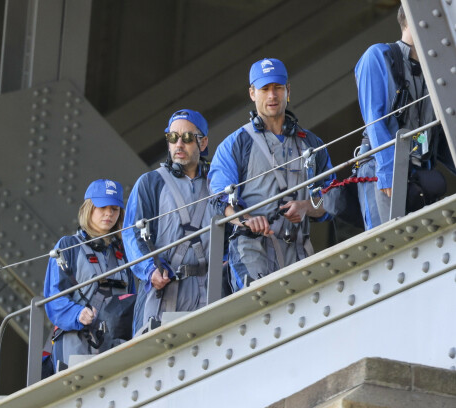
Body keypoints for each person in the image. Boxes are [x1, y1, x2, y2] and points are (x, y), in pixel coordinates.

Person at [208, 58, 334, 292]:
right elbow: (218, 198)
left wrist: (307, 206)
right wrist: (246, 219)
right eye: (264, 89)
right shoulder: (235, 144)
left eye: (277, 87)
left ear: (288, 91)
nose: (272, 95)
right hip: (252, 250)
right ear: (252, 93)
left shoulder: (312, 143)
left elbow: (333, 198)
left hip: (299, 249)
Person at [355, 5, 452, 229]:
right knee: (389, 242)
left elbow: (440, 135)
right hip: (382, 166)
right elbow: (374, 120)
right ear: (409, 20)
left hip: (420, 170)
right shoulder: (379, 56)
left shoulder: (436, 73)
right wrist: (389, 172)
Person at [122, 109, 215, 334]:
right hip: (162, 294)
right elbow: (132, 233)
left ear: (203, 143)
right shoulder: (150, 182)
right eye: (173, 137)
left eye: (187, 138)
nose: (178, 144)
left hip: (210, 292)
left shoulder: (217, 180)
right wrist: (149, 270)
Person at [44, 179, 135, 371]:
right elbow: (54, 298)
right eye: (102, 207)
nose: (109, 213)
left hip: (117, 344)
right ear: (89, 208)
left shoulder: (125, 252)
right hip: (76, 342)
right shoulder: (68, 246)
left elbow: (133, 298)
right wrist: (77, 314)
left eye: (114, 209)